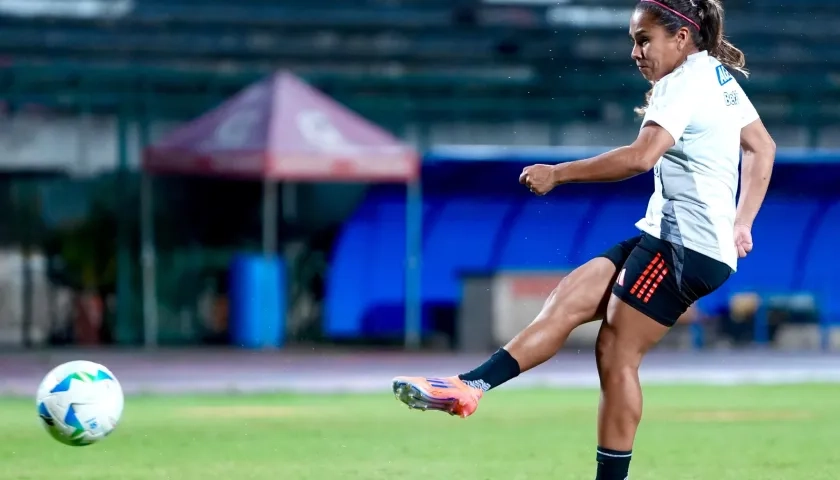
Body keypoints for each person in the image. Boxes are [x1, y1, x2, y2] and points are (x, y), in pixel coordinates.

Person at [390, 0, 777, 478]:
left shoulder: (682, 83)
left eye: (643, 40)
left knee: (616, 354)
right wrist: (743, 222)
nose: (635, 52)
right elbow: (762, 146)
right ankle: (470, 385)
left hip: (685, 249)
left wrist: (559, 174)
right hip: (668, 235)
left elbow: (641, 157)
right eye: (632, 41)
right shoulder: (713, 73)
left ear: (680, 38)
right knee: (569, 298)